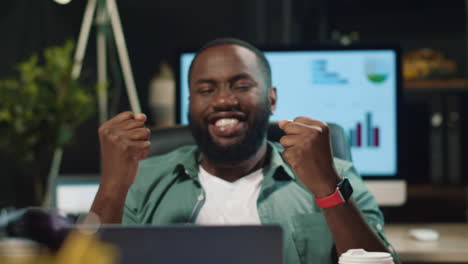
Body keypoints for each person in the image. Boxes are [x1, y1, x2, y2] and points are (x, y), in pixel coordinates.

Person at [90, 38, 399, 264]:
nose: (223, 100)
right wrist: (112, 187)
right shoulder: (143, 180)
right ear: (189, 104)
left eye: (241, 85)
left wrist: (327, 188)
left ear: (272, 98)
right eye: (206, 90)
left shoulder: (335, 175)